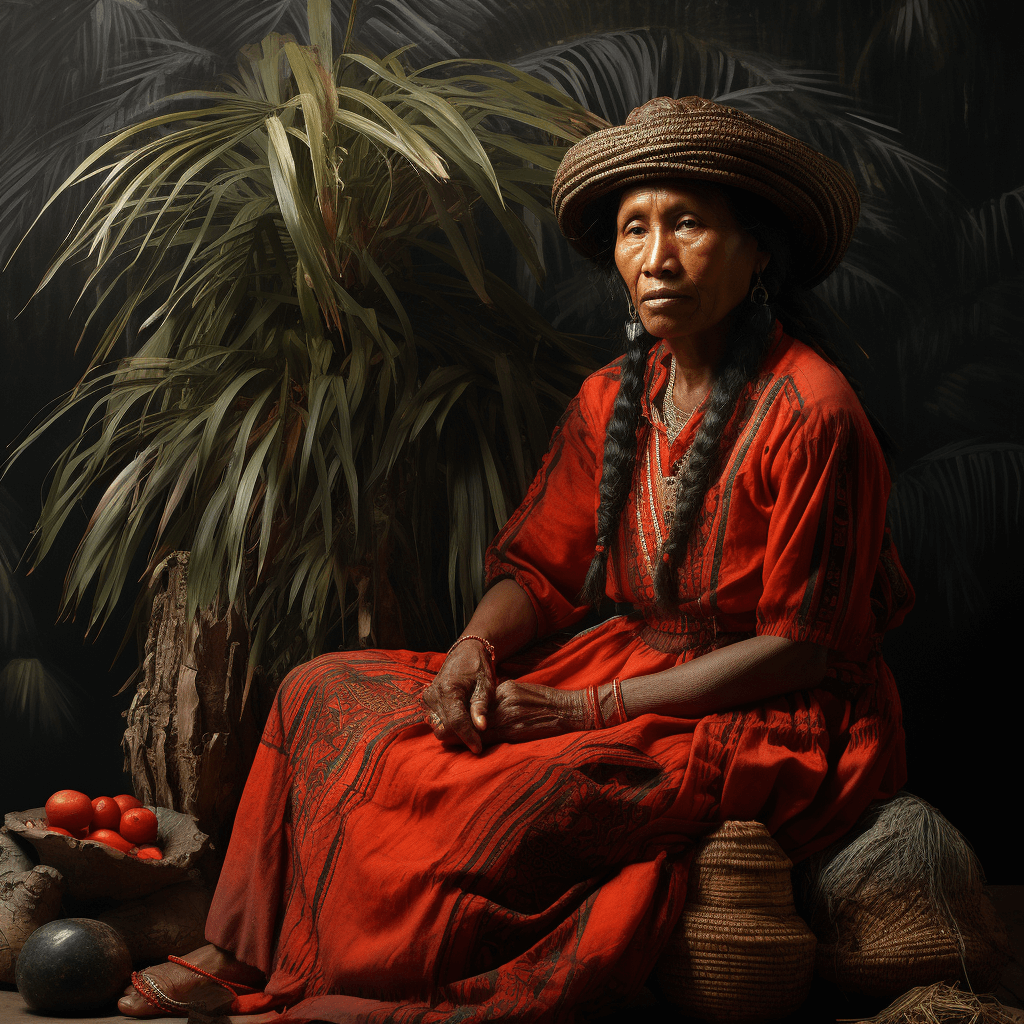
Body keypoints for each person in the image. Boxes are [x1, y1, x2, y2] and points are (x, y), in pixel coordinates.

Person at [119, 95, 913, 1023]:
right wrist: (473, 652)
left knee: (505, 786)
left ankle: (361, 986)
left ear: (759, 250)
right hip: (623, 663)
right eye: (634, 230)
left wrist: (582, 709)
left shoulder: (814, 409)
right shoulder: (611, 395)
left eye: (688, 225)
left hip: (766, 711)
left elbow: (802, 649)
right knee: (321, 690)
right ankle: (240, 951)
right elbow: (536, 570)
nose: (655, 259)